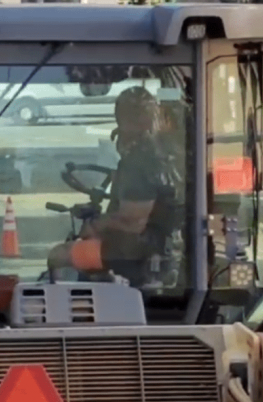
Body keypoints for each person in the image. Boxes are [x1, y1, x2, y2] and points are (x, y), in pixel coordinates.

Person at [46, 86, 182, 283]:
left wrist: (95, 225)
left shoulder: (140, 160)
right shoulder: (169, 151)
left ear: (123, 120)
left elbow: (132, 222)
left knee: (58, 256)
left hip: (134, 252)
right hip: (162, 245)